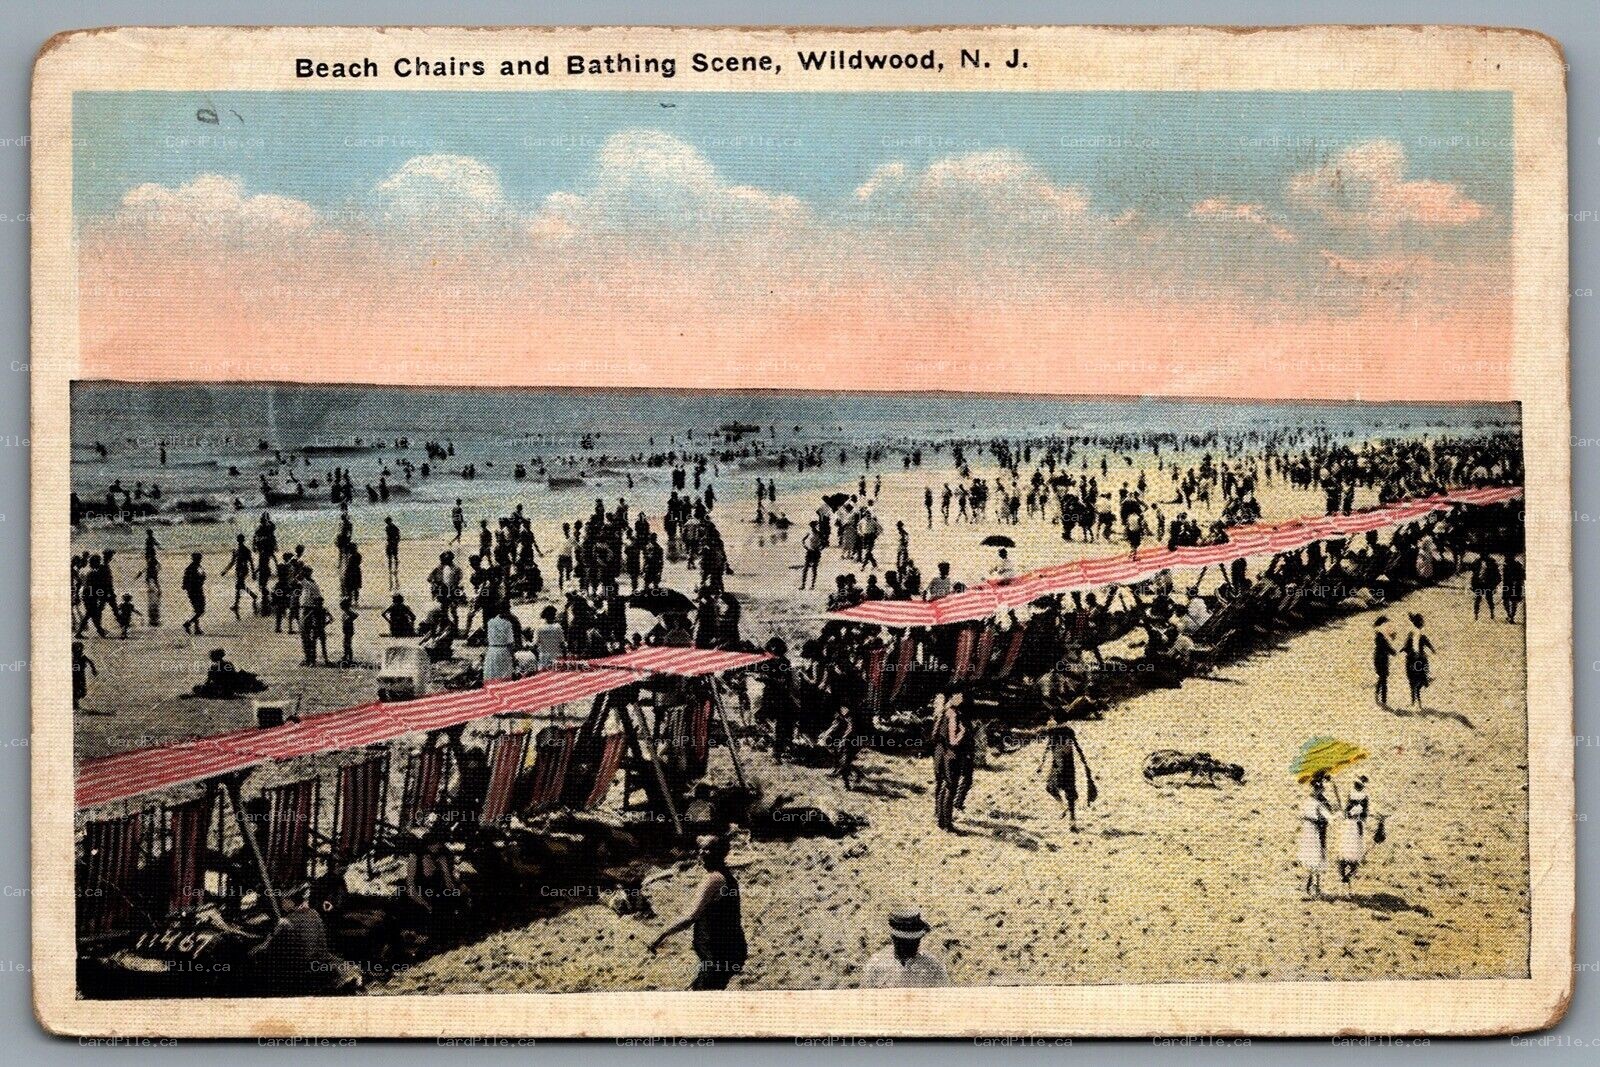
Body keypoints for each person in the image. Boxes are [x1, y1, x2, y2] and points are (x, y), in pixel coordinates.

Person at [647, 834, 747, 991]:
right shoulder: (727, 878)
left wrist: (661, 935)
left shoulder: (714, 879)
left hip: (718, 954)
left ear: (721, 853)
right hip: (729, 950)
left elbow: (690, 917)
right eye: (701, 849)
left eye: (709, 849)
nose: (702, 853)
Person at [860, 907, 948, 988]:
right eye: (903, 943)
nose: (908, 947)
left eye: (914, 942)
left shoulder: (933, 968)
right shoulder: (876, 964)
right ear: (894, 940)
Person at [1038, 719, 1096, 830]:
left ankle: (1065, 810)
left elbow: (1063, 750)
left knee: (1052, 789)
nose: (1048, 721)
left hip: (1061, 769)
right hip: (1068, 768)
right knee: (1069, 796)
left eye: (1051, 719)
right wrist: (1042, 764)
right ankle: (1072, 822)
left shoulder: (1059, 735)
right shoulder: (1062, 733)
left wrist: (1058, 767)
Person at [930, 693, 966, 832]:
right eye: (959, 696)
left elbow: (934, 736)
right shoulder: (953, 715)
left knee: (941, 784)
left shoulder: (941, 712)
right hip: (950, 754)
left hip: (939, 752)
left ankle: (939, 817)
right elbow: (953, 740)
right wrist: (962, 732)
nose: (961, 699)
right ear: (953, 698)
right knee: (950, 788)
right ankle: (947, 823)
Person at [1298, 774, 1334, 898]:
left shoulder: (1309, 800)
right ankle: (1314, 887)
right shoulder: (1319, 802)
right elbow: (1330, 817)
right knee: (1316, 857)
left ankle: (1312, 887)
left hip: (1309, 831)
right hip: (1315, 831)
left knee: (1312, 858)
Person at [1337, 775, 1372, 884]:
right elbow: (1364, 814)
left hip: (1351, 824)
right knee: (1352, 847)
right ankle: (1347, 873)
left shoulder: (1353, 796)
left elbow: (1348, 811)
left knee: (1348, 847)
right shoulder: (1363, 798)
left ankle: (1346, 873)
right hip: (1354, 825)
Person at [1402, 612, 1434, 709]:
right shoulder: (1421, 634)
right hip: (1419, 659)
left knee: (1412, 681)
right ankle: (1425, 680)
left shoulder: (1411, 633)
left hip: (1411, 659)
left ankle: (1413, 701)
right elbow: (1427, 643)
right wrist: (1432, 649)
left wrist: (1404, 650)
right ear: (1420, 623)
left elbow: (1406, 646)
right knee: (1420, 678)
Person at [483, 604, 520, 682]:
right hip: (504, 651)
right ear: (507, 610)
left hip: (491, 651)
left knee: (491, 676)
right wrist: (514, 658)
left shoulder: (490, 622)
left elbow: (488, 638)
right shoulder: (508, 624)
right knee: (504, 677)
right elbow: (510, 643)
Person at [1372, 615, 1396, 707]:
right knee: (1384, 678)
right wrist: (1393, 652)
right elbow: (1385, 647)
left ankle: (1378, 695)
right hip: (1381, 659)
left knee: (1382, 678)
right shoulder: (1380, 636)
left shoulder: (1379, 634)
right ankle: (1383, 700)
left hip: (1379, 658)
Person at [180, 552, 207, 635]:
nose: (200, 560)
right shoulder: (195, 568)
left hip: (193, 591)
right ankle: (188, 624)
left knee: (197, 610)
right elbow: (201, 578)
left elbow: (184, 583)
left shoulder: (192, 567)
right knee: (201, 610)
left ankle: (196, 628)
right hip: (196, 591)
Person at [1501, 554, 1524, 624]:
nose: (1505, 559)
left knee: (1512, 601)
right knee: (1508, 601)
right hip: (1508, 585)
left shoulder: (1517, 566)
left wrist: (1517, 581)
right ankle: (1510, 616)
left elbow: (1522, 576)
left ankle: (1511, 616)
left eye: (1506, 558)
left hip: (1514, 585)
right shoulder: (1506, 566)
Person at [72, 641, 95, 710]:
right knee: (75, 690)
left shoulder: (82, 657)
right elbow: (91, 663)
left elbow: (91, 663)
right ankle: (75, 703)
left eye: (81, 650)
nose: (80, 652)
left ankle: (75, 702)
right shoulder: (73, 658)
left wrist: (93, 670)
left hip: (81, 676)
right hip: (75, 677)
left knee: (82, 691)